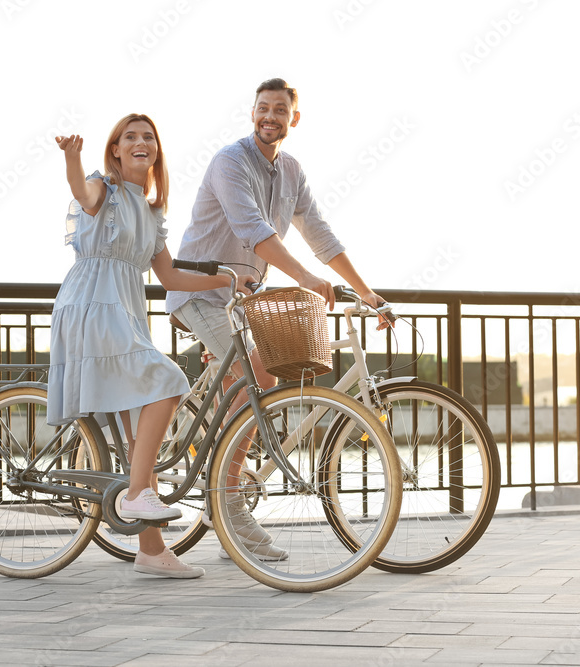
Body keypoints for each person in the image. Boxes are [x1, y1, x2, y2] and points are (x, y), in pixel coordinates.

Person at [166, 78, 390, 562]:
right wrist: (308, 279)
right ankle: (224, 502)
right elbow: (254, 231)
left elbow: (320, 233)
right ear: (251, 114)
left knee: (255, 380)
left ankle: (223, 487)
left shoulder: (291, 170)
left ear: (294, 118)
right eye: (263, 109)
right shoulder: (230, 161)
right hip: (201, 289)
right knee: (257, 376)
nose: (271, 117)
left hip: (243, 297)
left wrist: (367, 290)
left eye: (280, 110)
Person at [47, 113, 251, 579]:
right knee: (169, 381)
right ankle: (139, 493)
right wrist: (72, 158)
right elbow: (82, 193)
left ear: (156, 151)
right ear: (115, 150)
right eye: (130, 137)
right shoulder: (105, 191)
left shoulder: (151, 211)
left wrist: (227, 278)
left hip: (124, 313)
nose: (141, 142)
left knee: (139, 437)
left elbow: (171, 277)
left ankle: (151, 550)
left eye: (148, 137)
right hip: (93, 308)